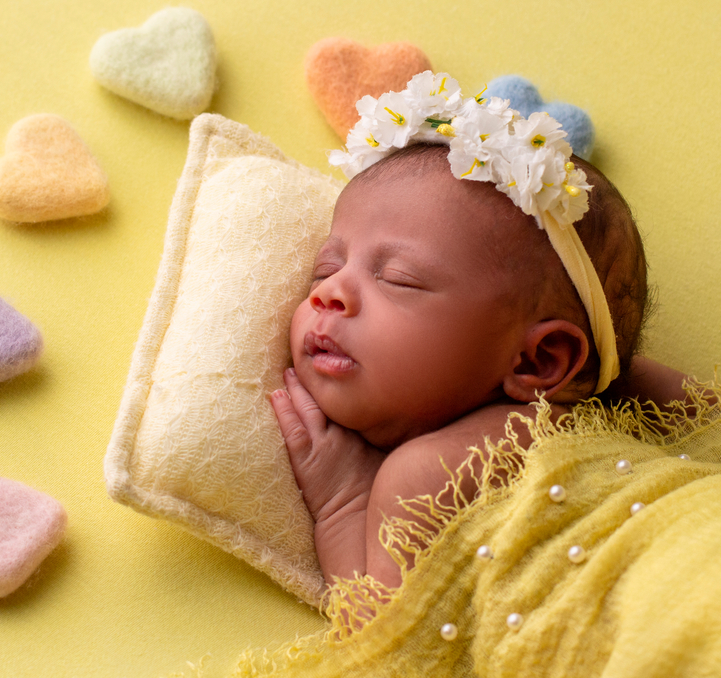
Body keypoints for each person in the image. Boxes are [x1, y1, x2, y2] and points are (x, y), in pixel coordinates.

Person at [270, 72, 693, 591]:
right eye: (326, 267)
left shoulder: (422, 477)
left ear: (538, 362)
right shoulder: (621, 399)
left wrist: (342, 500)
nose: (329, 293)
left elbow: (384, 644)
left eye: (399, 279)